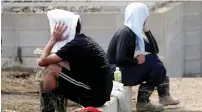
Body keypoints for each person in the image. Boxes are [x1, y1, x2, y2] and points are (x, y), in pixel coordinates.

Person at [107, 2, 180, 112]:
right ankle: (145, 101)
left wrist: (147, 31)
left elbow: (155, 50)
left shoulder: (134, 33)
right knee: (155, 65)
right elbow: (119, 59)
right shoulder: (125, 32)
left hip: (122, 70)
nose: (145, 20)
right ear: (139, 17)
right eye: (144, 17)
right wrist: (136, 61)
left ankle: (155, 98)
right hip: (116, 73)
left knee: (153, 60)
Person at [38, 14, 113, 112]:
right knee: (57, 67)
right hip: (101, 93)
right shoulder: (84, 40)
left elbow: (42, 61)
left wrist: (53, 39)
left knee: (50, 70)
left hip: (94, 97)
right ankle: (58, 108)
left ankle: (49, 110)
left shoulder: (74, 45)